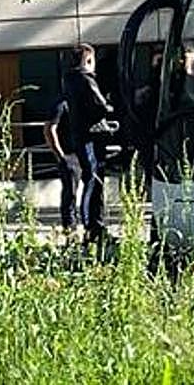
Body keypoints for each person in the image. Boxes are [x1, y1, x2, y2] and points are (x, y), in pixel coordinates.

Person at [63, 43, 117, 245]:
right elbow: (100, 106)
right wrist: (110, 107)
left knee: (93, 181)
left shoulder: (69, 81)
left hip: (82, 136)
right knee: (93, 180)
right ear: (87, 60)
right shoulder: (85, 80)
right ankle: (92, 227)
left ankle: (95, 226)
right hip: (90, 137)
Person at [43, 94, 81, 232]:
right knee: (70, 191)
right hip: (68, 154)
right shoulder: (61, 104)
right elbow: (49, 129)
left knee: (77, 190)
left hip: (79, 151)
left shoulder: (77, 102)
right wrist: (60, 155)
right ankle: (69, 226)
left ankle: (78, 223)